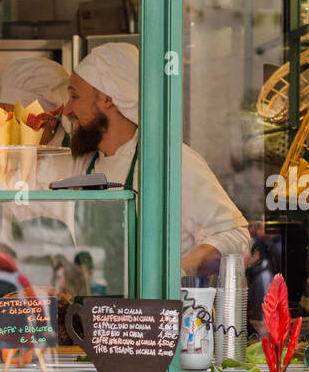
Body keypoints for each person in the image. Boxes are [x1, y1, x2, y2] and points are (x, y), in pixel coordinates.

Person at [66, 42, 250, 277]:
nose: (67, 109)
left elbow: (235, 237)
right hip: (99, 308)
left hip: (158, 311)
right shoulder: (85, 164)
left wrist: (175, 274)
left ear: (107, 99)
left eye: (74, 96)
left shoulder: (171, 162)